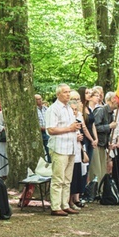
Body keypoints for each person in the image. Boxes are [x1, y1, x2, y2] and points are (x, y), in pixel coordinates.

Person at [46, 84, 81, 216]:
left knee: (67, 179)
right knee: (58, 178)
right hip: (59, 148)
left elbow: (70, 126)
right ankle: (55, 206)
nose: (68, 94)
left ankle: (65, 204)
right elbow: (51, 129)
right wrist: (70, 129)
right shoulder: (53, 109)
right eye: (65, 92)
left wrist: (75, 129)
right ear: (58, 94)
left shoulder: (69, 109)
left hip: (71, 147)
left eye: (69, 92)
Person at [69, 92, 88, 208]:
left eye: (76, 109)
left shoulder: (79, 119)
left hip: (77, 150)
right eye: (73, 109)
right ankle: (69, 201)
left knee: (77, 175)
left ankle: (75, 198)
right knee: (70, 178)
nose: (75, 112)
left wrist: (83, 151)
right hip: (68, 151)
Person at [36, 93, 50, 159]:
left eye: (40, 99)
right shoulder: (33, 110)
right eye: (37, 99)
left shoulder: (47, 109)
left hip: (47, 131)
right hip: (38, 132)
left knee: (49, 150)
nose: (39, 100)